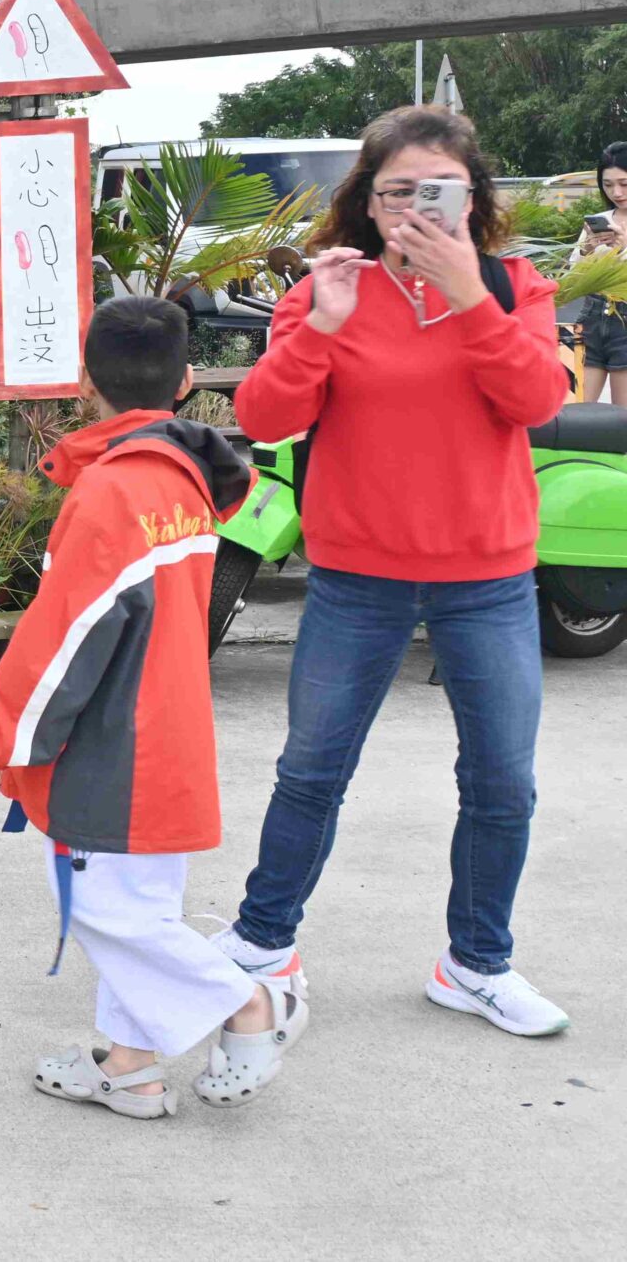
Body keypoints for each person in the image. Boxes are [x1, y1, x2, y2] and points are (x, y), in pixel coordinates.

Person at [221, 105, 574, 1036]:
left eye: (439, 191)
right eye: (396, 192)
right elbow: (262, 417)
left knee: (502, 781)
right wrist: (323, 328)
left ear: (474, 197)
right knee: (312, 769)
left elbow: (537, 399)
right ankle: (261, 941)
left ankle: (476, 962)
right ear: (366, 202)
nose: (416, 209)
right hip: (356, 579)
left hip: (489, 579)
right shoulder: (328, 288)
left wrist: (471, 297)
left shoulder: (513, 286)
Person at [0, 297, 300, 1117]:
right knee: (141, 903)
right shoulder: (189, 480)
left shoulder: (114, 492)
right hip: (173, 731)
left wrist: (4, 733)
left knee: (105, 909)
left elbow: (65, 638)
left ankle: (247, 1003)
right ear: (188, 380)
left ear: (86, 381)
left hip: (117, 745)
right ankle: (129, 1067)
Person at [563, 141, 627, 404]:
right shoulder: (601, 220)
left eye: (624, 183)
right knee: (576, 412)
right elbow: (572, 278)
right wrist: (587, 250)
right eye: (608, 184)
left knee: (622, 423)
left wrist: (623, 249)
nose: (616, 192)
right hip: (591, 317)